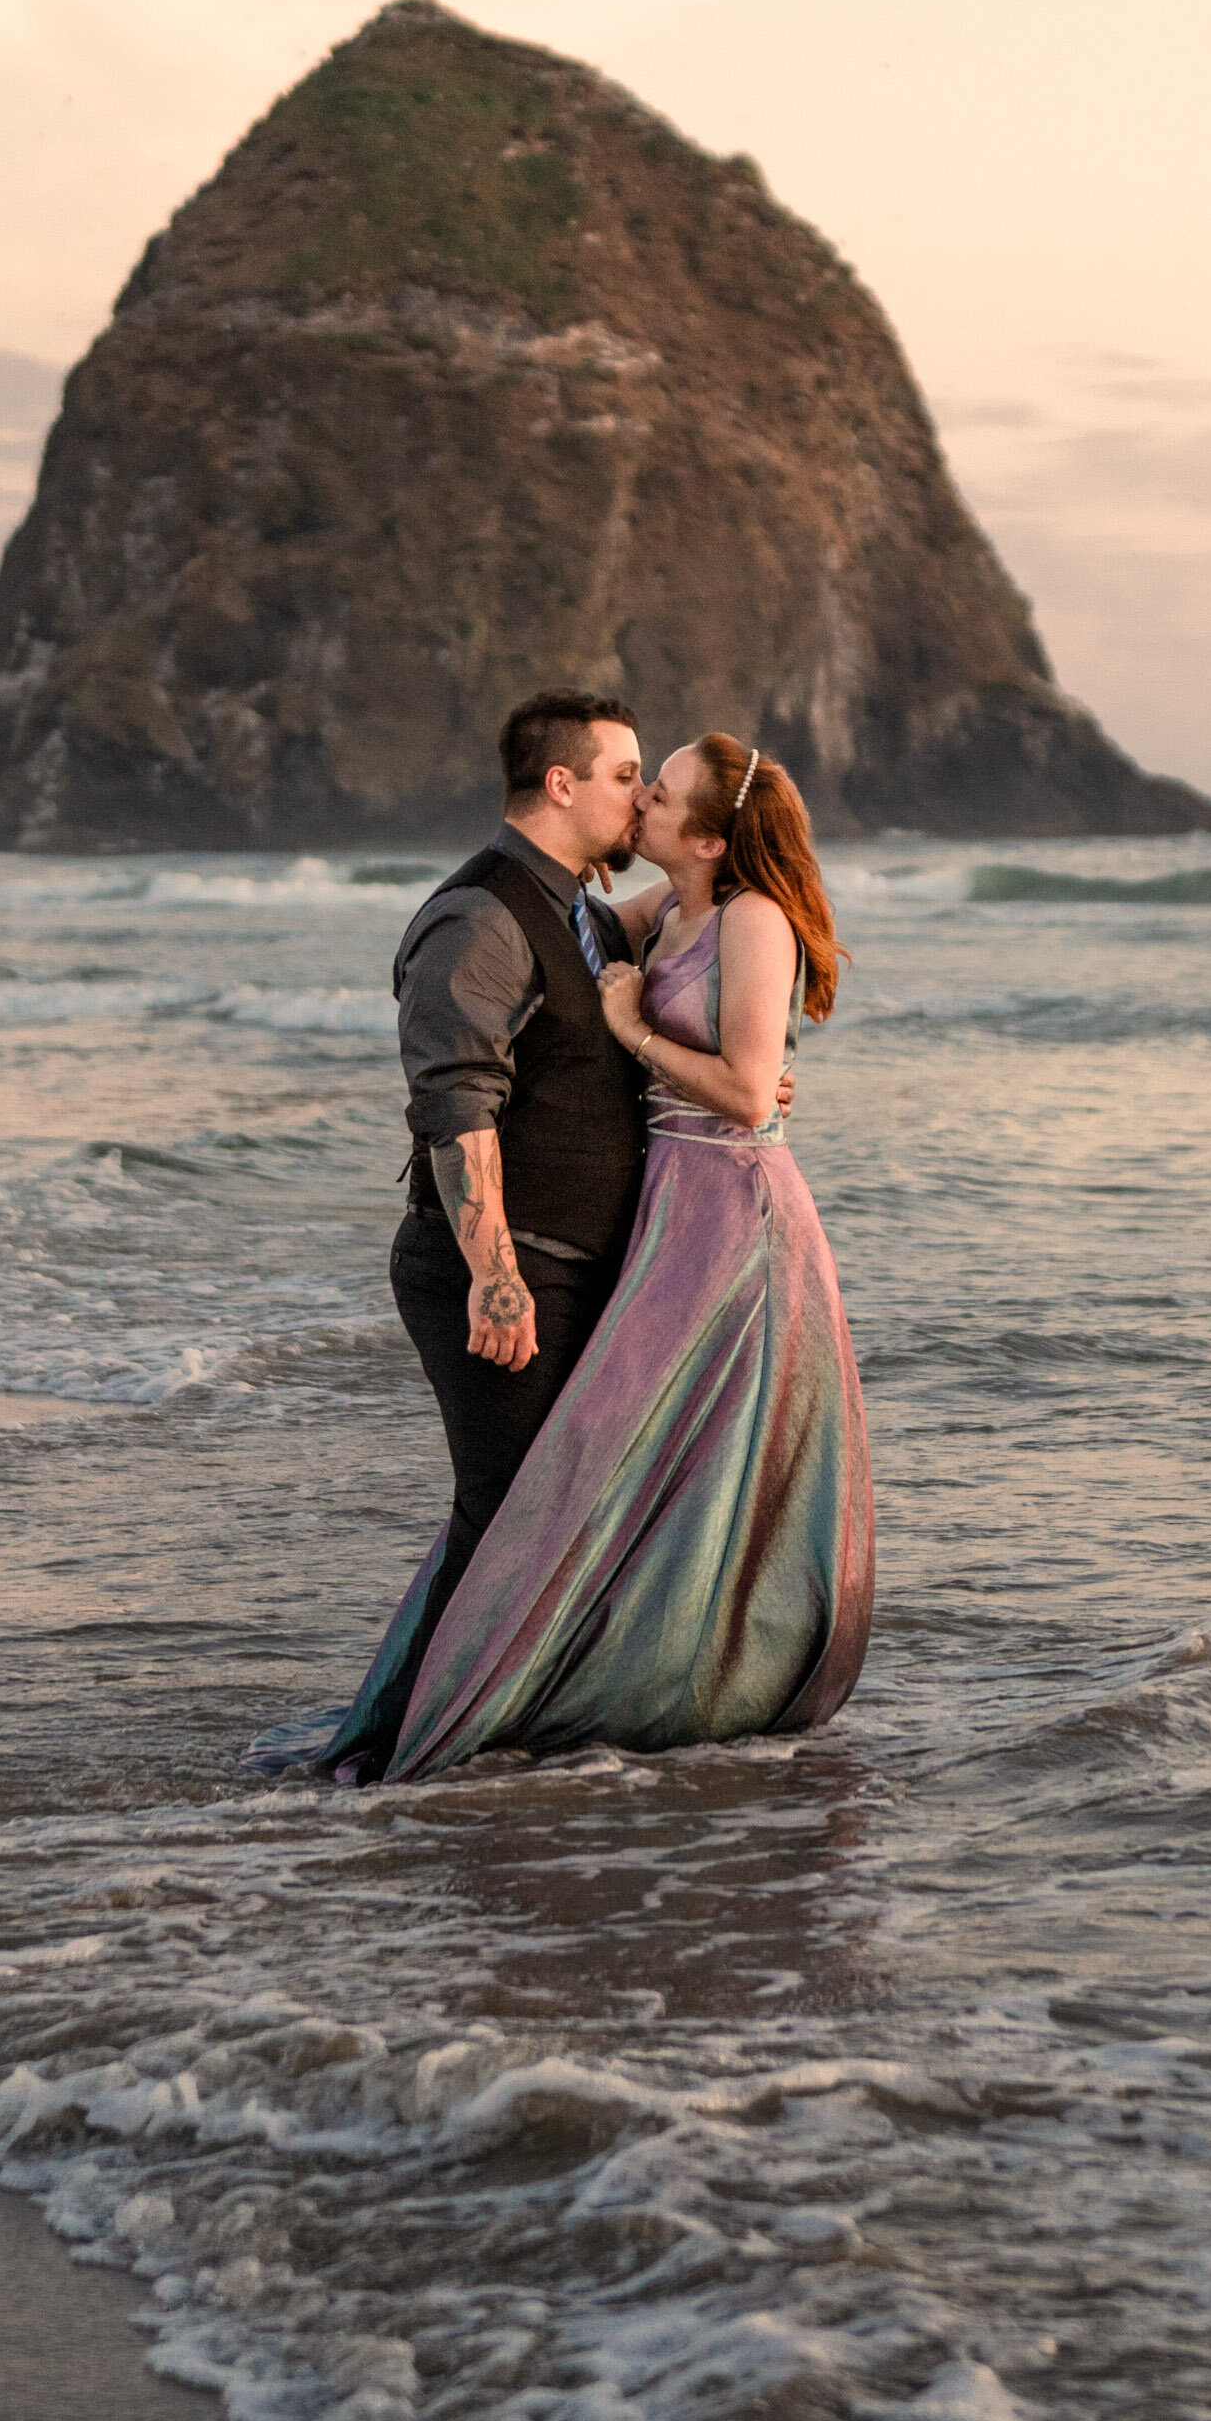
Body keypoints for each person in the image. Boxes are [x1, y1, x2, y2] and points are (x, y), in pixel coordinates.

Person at [253, 718, 872, 1784]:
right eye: (634, 781)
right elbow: (554, 963)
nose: (642, 806)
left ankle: (657, 1685)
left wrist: (644, 1035)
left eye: (660, 792)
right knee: (590, 1476)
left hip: (723, 1209)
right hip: (653, 1215)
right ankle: (485, 1722)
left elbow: (734, 1078)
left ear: (713, 838)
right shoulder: (643, 912)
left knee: (690, 1466)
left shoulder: (751, 917)